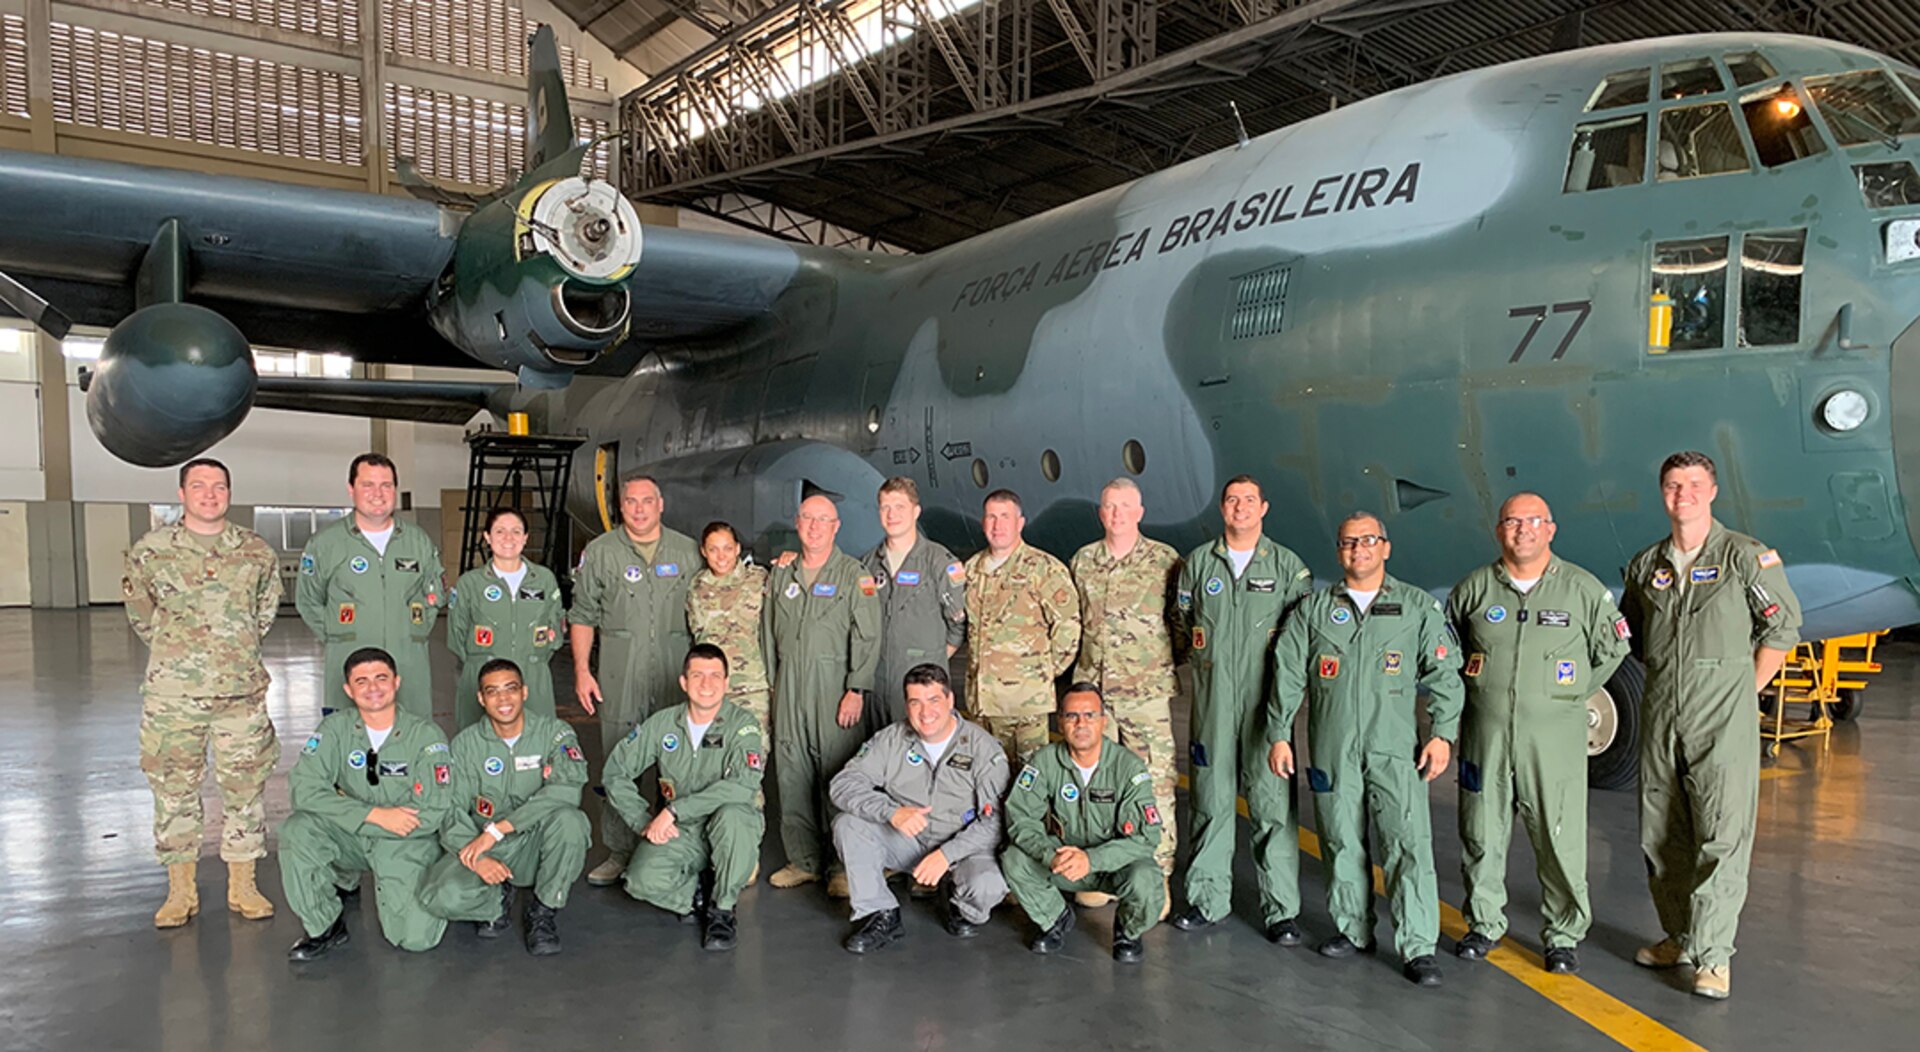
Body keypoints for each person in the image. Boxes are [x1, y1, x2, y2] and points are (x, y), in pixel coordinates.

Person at [1620, 451, 1801, 1000]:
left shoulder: (1744, 556)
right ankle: (1679, 936)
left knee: (1721, 835)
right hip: (1660, 714)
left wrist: (1743, 694)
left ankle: (1714, 956)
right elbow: (1632, 630)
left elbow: (1782, 627)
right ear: (1663, 493)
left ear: (1713, 492)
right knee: (1661, 832)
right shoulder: (1646, 564)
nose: (1684, 495)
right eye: (1674, 485)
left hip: (1722, 717)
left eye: (1695, 485)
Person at [1268, 512, 1462, 987]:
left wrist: (1442, 733)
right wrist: (1278, 733)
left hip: (1396, 749)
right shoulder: (1313, 612)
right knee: (1340, 841)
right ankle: (1352, 930)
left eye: (1368, 540)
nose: (1359, 550)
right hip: (1333, 747)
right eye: (1349, 542)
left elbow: (1444, 675)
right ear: (1340, 551)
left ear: (1386, 547)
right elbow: (1288, 674)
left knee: (1407, 844)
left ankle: (1417, 946)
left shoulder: (1415, 607)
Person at [1447, 493, 1630, 975]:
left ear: (1551, 529)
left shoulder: (1581, 590)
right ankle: (1483, 923)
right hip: (1485, 736)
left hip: (1555, 743)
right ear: (1498, 530)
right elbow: (1449, 649)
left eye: (1533, 522)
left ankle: (1563, 935)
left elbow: (1613, 648)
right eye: (1511, 521)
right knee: (1481, 832)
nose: (1522, 530)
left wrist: (1569, 696)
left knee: (1560, 837)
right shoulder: (1474, 589)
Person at [124, 457, 282, 928]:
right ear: (182, 493)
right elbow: (140, 611)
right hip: (174, 695)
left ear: (229, 494)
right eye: (199, 486)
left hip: (241, 693)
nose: (209, 495)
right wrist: (182, 654)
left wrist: (231, 651)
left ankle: (243, 884)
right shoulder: (152, 550)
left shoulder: (254, 551)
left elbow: (264, 611)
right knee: (173, 788)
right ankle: (180, 891)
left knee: (245, 789)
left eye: (218, 487)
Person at [1169, 475, 1310, 942]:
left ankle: (1281, 911)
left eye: (1250, 500)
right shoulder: (1197, 565)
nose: (1240, 507)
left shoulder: (1289, 567)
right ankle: (1208, 901)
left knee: (1273, 809)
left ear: (1264, 508)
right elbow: (1184, 623)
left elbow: (1301, 640)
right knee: (1210, 803)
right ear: (1222, 509)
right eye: (1232, 500)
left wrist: (1282, 718)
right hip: (1212, 707)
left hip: (1266, 708)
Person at [279, 647, 452, 960]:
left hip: (404, 839)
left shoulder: (425, 735)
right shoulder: (335, 730)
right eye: (362, 681)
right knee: (298, 829)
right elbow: (303, 789)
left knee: (415, 940)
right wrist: (374, 815)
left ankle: (417, 881)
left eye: (381, 678)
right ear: (348, 689)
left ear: (396, 682)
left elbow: (433, 810)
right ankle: (325, 926)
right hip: (356, 834)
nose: (372, 688)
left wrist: (387, 828)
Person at [570, 473, 700, 886]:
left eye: (647, 501)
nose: (639, 508)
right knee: (618, 762)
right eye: (631, 502)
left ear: (661, 504)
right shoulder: (601, 552)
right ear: (619, 506)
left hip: (673, 675)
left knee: (676, 766)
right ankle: (620, 850)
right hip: (619, 674)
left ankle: (675, 850)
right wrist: (581, 671)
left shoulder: (688, 551)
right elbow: (582, 615)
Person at [829, 663, 1009, 954]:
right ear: (907, 705)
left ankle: (956, 900)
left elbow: (995, 823)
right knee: (848, 824)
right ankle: (880, 912)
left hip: (963, 850)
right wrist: (891, 812)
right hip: (910, 842)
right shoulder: (892, 739)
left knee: (987, 885)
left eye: (934, 700)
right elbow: (843, 784)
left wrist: (946, 855)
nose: (925, 713)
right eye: (916, 702)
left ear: (950, 700)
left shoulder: (983, 748)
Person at [418, 658, 590, 956]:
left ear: (524, 692)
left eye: (510, 689)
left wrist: (498, 830)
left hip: (536, 838)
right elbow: (450, 812)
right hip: (485, 845)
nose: (503, 699)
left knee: (571, 821)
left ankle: (543, 910)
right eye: (493, 691)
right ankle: (497, 898)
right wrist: (478, 857)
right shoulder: (465, 745)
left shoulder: (554, 733)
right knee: (439, 897)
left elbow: (566, 791)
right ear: (481, 699)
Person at [603, 645, 766, 952]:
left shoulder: (742, 725)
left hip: (729, 827)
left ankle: (723, 908)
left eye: (716, 676)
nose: (707, 684)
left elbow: (743, 785)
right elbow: (615, 772)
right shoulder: (663, 724)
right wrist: (644, 821)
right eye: (698, 675)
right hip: (683, 831)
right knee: (639, 880)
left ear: (727, 684)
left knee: (733, 815)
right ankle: (698, 894)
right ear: (683, 682)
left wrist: (674, 810)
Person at [761, 494, 881, 894]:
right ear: (797, 523)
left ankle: (842, 865)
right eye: (808, 518)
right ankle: (804, 860)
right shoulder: (782, 574)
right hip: (789, 684)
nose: (814, 526)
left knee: (838, 772)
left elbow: (868, 635)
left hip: (835, 686)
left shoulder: (854, 574)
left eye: (823, 519)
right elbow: (767, 631)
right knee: (792, 772)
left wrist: (856, 688)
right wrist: (773, 685)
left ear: (837, 526)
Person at [1069, 477, 1181, 897]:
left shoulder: (1165, 561)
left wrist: (1156, 666)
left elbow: (1181, 623)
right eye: (1108, 507)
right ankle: (1101, 872)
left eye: (1124, 506)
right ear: (1100, 513)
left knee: (1153, 783)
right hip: (1093, 697)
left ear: (1140, 512)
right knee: (1096, 785)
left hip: (1145, 695)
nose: (1115, 514)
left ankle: (1156, 876)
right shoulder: (1083, 561)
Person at [1002, 684, 1165, 962]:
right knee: (1013, 859)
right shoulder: (1044, 762)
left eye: (1090, 715)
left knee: (1146, 879)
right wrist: (1048, 854)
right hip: (1061, 860)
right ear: (1060, 722)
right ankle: (1054, 918)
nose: (1081, 724)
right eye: (1071, 716)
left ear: (1103, 721)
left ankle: (1128, 929)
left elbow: (1146, 838)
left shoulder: (1129, 768)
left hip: (1113, 865)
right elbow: (1020, 816)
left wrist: (1091, 859)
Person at [296, 453, 445, 719]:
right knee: (348, 744)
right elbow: (308, 601)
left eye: (386, 485)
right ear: (351, 489)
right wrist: (339, 636)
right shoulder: (325, 544)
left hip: (407, 664)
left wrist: (413, 631)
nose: (378, 493)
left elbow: (435, 595)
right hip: (348, 663)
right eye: (368, 485)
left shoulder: (417, 541)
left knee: (412, 741)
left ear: (395, 490)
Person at [962, 489, 1079, 763]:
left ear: (1020, 523)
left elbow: (1068, 626)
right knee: (987, 778)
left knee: (1030, 785)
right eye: (991, 517)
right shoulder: (971, 570)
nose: (997, 525)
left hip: (1024, 705)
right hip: (981, 703)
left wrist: (1043, 673)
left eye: (1005, 516)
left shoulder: (1043, 568)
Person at [858, 477, 967, 733]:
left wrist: (931, 658)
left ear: (916, 512)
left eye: (899, 507)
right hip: (877, 686)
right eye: (885, 507)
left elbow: (958, 625)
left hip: (922, 690)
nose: (892, 514)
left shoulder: (939, 562)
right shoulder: (868, 564)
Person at [446, 509, 565, 731]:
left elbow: (554, 631)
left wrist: (531, 659)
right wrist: (483, 661)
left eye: (516, 531)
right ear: (487, 537)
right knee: (479, 744)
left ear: (525, 538)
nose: (508, 538)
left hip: (532, 676)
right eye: (500, 531)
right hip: (483, 675)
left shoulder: (544, 580)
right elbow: (456, 637)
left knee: (537, 742)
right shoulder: (470, 584)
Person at [687, 521, 771, 741]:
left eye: (727, 548)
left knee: (751, 755)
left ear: (737, 548)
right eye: (713, 549)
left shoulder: (759, 579)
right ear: (703, 551)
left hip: (751, 688)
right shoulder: (696, 587)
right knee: (712, 757)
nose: (721, 556)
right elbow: (696, 635)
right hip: (710, 691)